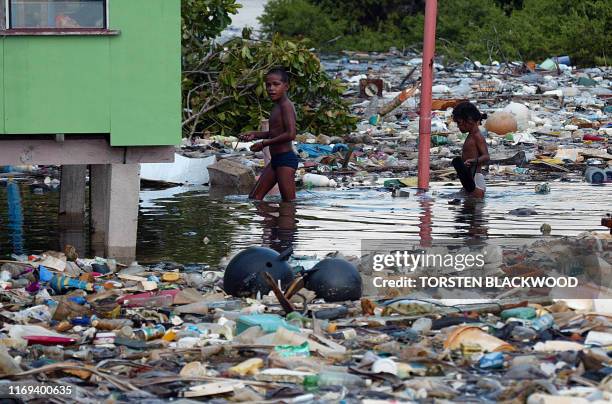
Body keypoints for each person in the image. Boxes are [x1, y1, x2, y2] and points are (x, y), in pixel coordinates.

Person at [240, 67, 298, 202]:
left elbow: (291, 134)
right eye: (268, 85)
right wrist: (255, 134)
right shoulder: (277, 106)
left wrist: (263, 144)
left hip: (286, 160)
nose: (271, 88)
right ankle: (272, 223)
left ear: (286, 86)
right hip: (275, 161)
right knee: (254, 198)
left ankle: (282, 223)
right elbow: (273, 133)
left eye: (276, 84)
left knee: (289, 203)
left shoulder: (286, 106)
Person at [451, 102, 490, 198]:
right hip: (469, 180)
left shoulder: (477, 137)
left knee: (473, 209)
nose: (458, 126)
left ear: (469, 120)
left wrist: (473, 161)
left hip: (475, 179)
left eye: (459, 123)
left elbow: (486, 157)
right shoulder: (471, 136)